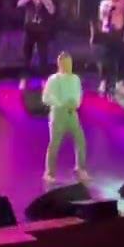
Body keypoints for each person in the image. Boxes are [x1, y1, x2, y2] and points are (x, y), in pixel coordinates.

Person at [42, 52, 88, 183]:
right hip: (59, 115)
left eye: (70, 63)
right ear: (60, 64)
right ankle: (49, 173)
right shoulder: (54, 79)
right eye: (66, 63)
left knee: (80, 140)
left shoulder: (75, 79)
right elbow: (46, 97)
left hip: (72, 113)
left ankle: (80, 168)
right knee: (55, 144)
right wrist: (61, 104)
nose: (69, 66)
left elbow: (79, 94)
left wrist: (76, 104)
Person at [17, 0, 56, 89]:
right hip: (29, 29)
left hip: (42, 30)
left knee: (43, 56)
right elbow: (19, 3)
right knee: (26, 56)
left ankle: (44, 80)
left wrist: (44, 0)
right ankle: (24, 79)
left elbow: (52, 10)